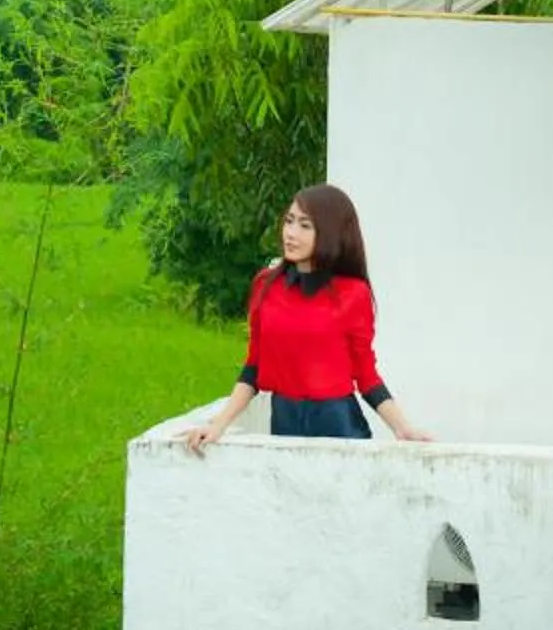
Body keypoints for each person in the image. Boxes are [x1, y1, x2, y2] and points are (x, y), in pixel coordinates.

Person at [183, 183, 432, 449]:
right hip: (284, 423)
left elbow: (366, 375)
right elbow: (254, 365)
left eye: (305, 225)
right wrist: (218, 424)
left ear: (330, 233)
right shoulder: (266, 285)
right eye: (289, 221)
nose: (290, 233)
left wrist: (402, 428)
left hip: (339, 426)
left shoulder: (352, 294)